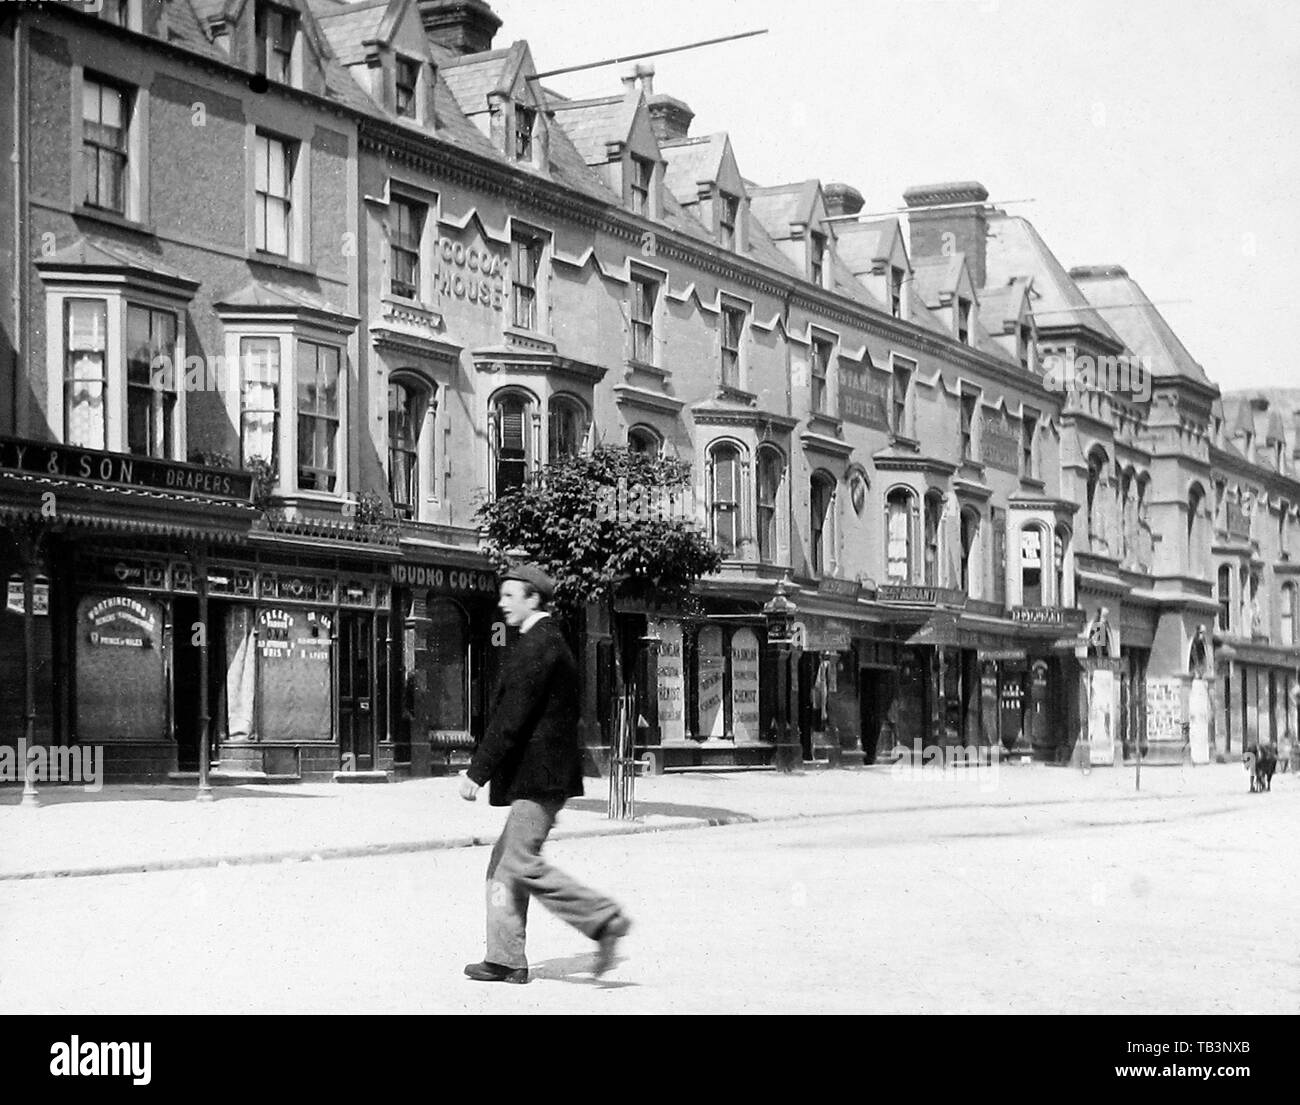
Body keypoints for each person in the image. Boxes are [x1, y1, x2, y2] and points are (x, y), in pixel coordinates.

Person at [459, 563, 632, 984]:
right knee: (504, 863)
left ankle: (602, 919)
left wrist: (477, 772)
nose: (501, 603)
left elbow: (510, 716)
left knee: (518, 861)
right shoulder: (545, 639)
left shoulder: (539, 644)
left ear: (533, 597)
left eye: (509, 595)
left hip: (539, 776)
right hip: (542, 774)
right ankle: (505, 958)